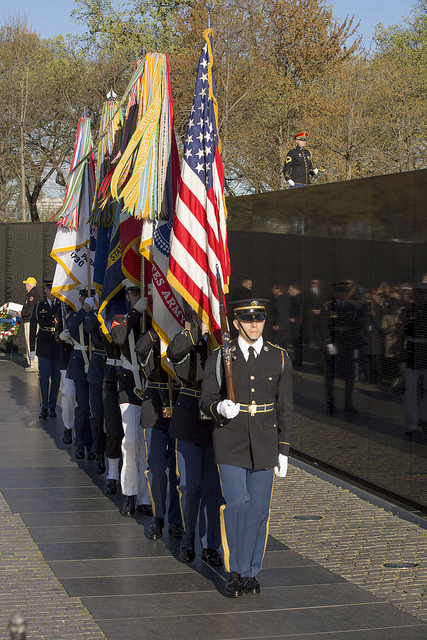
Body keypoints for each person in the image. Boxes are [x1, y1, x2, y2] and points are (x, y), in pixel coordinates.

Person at [200, 299, 293, 597]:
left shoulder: (279, 358)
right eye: (248, 320)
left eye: (260, 319)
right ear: (236, 323)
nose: (255, 325)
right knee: (237, 503)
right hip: (231, 439)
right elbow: (205, 399)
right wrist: (219, 407)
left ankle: (252, 571)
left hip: (265, 441)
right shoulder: (219, 357)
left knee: (259, 511)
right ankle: (235, 570)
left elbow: (285, 408)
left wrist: (284, 450)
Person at [167, 314, 222, 567]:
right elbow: (174, 353)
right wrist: (196, 332)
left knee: (213, 488)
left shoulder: (223, 343)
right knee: (189, 486)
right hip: (189, 419)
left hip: (217, 421)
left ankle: (211, 544)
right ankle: (188, 535)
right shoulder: (188, 338)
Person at [135, 327, 183, 540]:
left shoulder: (181, 330)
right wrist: (158, 330)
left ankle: (176, 519)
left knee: (177, 470)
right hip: (155, 403)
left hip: (180, 402)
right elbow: (140, 348)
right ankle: (159, 517)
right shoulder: (151, 326)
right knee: (155, 465)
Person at [110, 279, 150, 517]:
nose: (136, 295)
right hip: (128, 387)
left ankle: (145, 497)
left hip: (150, 386)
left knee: (146, 446)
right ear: (127, 296)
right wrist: (136, 312)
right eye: (133, 293)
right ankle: (129, 493)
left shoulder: (151, 320)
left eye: (139, 291)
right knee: (131, 442)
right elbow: (119, 337)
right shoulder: (121, 317)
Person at [319, 283, 362, 415]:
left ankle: (348, 404)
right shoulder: (328, 306)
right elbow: (323, 325)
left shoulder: (351, 307)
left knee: (349, 376)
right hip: (333, 342)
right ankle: (330, 403)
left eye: (345, 292)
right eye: (340, 292)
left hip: (347, 345)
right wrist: (328, 343)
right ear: (335, 293)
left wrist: (355, 345)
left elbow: (356, 327)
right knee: (330, 375)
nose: (342, 295)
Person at [65, 289, 94, 460]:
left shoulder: (95, 315)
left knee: (94, 409)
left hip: (95, 364)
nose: (84, 300)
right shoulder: (75, 315)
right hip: (79, 364)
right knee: (82, 406)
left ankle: (92, 445)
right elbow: (72, 325)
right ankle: (80, 442)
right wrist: (85, 309)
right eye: (84, 297)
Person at [398, 282, 427, 442]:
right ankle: (411, 426)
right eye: (420, 294)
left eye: (424, 294)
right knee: (411, 391)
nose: (422, 296)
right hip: (413, 351)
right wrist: (401, 354)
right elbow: (401, 334)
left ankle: (422, 417)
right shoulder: (408, 311)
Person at [29, 279, 62, 420]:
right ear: (46, 291)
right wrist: (32, 348)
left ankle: (52, 407)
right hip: (43, 345)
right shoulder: (39, 306)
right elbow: (32, 327)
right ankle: (44, 407)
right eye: (50, 290)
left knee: (56, 377)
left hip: (58, 344)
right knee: (44, 375)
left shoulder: (61, 305)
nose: (52, 293)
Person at [21, 276, 41, 370]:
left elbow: (30, 310)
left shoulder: (32, 295)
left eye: (26, 284)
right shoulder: (33, 293)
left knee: (31, 342)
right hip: (30, 320)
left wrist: (21, 313)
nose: (25, 286)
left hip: (30, 321)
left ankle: (33, 364)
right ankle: (32, 362)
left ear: (29, 285)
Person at [288, 283, 303, 368]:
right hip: (297, 323)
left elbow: (300, 309)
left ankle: (298, 360)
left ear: (295, 289)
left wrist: (295, 319)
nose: (289, 291)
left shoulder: (298, 298)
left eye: (290, 289)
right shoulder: (295, 298)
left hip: (297, 324)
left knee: (297, 342)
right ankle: (298, 359)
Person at [270, 284, 289, 349]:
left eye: (274, 289)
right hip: (278, 324)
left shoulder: (281, 299)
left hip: (279, 325)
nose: (273, 290)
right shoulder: (277, 299)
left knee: (279, 343)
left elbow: (281, 313)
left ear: (278, 289)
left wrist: (278, 324)